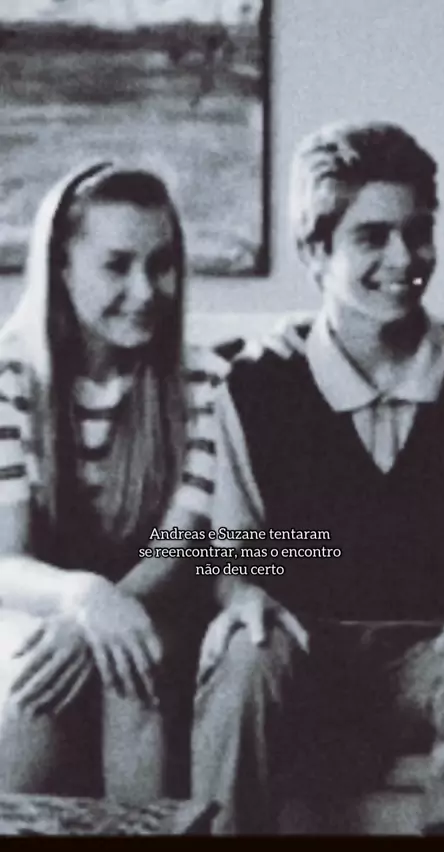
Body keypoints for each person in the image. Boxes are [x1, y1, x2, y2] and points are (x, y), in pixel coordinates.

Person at [190, 121, 444, 834]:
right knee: (244, 656)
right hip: (307, 652)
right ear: (314, 252)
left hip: (442, 658)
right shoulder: (257, 387)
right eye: (372, 237)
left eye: (418, 232)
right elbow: (229, 551)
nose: (404, 258)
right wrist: (242, 590)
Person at [0, 161, 226, 801]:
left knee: (132, 673)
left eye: (161, 264)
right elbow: (6, 558)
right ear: (61, 268)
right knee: (33, 676)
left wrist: (103, 616)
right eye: (117, 265)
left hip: (156, 602)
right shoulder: (9, 377)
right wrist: (82, 599)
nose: (145, 289)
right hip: (39, 603)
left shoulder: (206, 381)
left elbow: (183, 546)